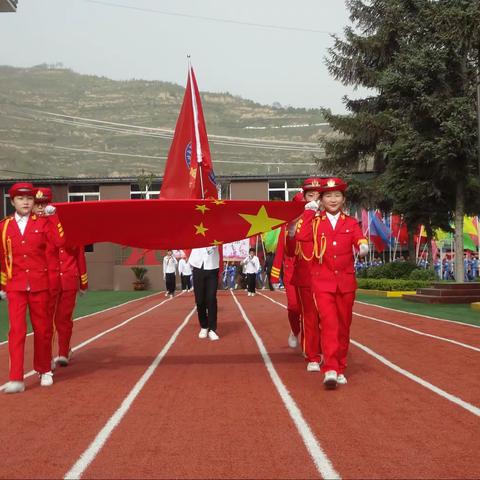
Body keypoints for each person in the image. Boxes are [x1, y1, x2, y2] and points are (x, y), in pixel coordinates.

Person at [296, 177, 368, 389]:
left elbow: (359, 238)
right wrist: (309, 211)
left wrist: (362, 247)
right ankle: (330, 368)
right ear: (321, 199)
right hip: (323, 283)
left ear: (343, 199)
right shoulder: (316, 222)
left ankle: (341, 366)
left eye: (337, 195)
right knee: (329, 325)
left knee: (343, 326)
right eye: (328, 196)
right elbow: (301, 235)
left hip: (345, 283)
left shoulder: (351, 223)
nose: (333, 199)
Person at [0, 183, 65, 393]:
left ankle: (44, 369)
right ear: (12, 202)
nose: (26, 202)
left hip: (39, 284)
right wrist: (3, 284)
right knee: (16, 331)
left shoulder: (44, 224)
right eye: (20, 199)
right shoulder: (4, 227)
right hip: (15, 285)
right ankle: (16, 378)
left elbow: (60, 242)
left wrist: (54, 217)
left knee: (43, 329)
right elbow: (2, 258)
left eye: (29, 199)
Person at [33, 188, 88, 368]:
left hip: (68, 280)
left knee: (63, 319)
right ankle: (46, 356)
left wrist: (83, 281)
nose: (41, 208)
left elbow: (79, 253)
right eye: (38, 204)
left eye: (45, 204)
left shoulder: (63, 224)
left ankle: (63, 352)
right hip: (46, 281)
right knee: (45, 320)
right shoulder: (31, 228)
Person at [286, 180, 323, 371]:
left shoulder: (328, 218)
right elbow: (291, 252)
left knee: (326, 317)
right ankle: (312, 355)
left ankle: (323, 349)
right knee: (308, 316)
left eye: (318, 196)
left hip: (326, 276)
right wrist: (291, 234)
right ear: (304, 197)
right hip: (305, 276)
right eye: (310, 196)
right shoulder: (299, 219)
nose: (314, 200)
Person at [188, 246, 220, 340]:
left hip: (212, 267)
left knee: (211, 299)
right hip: (198, 266)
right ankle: (204, 326)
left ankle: (212, 329)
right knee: (199, 300)